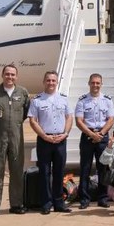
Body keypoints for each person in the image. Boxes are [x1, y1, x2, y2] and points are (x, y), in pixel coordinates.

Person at [0, 64, 30, 217]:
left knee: (16, 170)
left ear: (16, 76)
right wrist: (0, 125)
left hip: (16, 137)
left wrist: (13, 124)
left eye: (12, 74)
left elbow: (25, 113)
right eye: (7, 74)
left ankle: (16, 204)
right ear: (2, 75)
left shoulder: (22, 92)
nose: (10, 77)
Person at [28, 71, 73, 215]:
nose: (51, 83)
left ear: (57, 82)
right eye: (48, 80)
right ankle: (46, 203)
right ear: (44, 82)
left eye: (53, 80)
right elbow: (33, 121)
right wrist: (44, 136)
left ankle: (59, 203)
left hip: (60, 139)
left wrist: (65, 133)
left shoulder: (64, 99)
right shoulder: (37, 100)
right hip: (44, 140)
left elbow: (69, 117)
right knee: (44, 173)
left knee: (59, 172)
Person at [75, 73, 114, 209]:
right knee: (85, 168)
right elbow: (79, 121)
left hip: (102, 136)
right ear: (89, 83)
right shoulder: (82, 100)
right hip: (87, 136)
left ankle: (102, 198)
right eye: (93, 83)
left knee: (103, 168)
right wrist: (92, 134)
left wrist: (101, 133)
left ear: (101, 84)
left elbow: (111, 119)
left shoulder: (107, 100)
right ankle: (84, 199)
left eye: (98, 83)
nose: (95, 85)